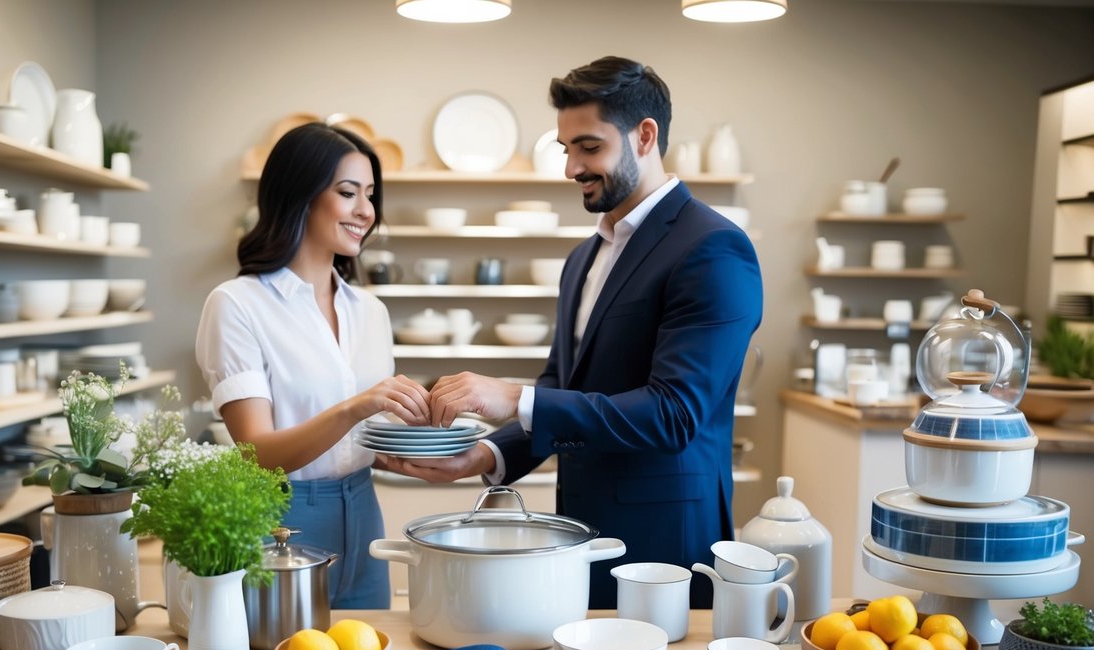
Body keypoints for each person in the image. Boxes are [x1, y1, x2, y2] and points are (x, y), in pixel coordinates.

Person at [379, 56, 763, 609]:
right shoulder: (584, 256)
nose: (571, 169)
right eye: (566, 150)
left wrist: (511, 397)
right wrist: (484, 456)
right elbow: (564, 383)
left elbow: (675, 414)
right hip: (580, 531)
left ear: (645, 136)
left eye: (589, 147)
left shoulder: (712, 248)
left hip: (666, 547)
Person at [196, 122, 430, 609]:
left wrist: (424, 452)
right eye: (348, 193)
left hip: (364, 511)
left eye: (370, 195)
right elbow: (256, 453)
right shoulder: (237, 304)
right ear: (299, 195)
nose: (366, 211)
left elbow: (361, 443)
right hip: (282, 518)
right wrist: (355, 407)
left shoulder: (371, 312)